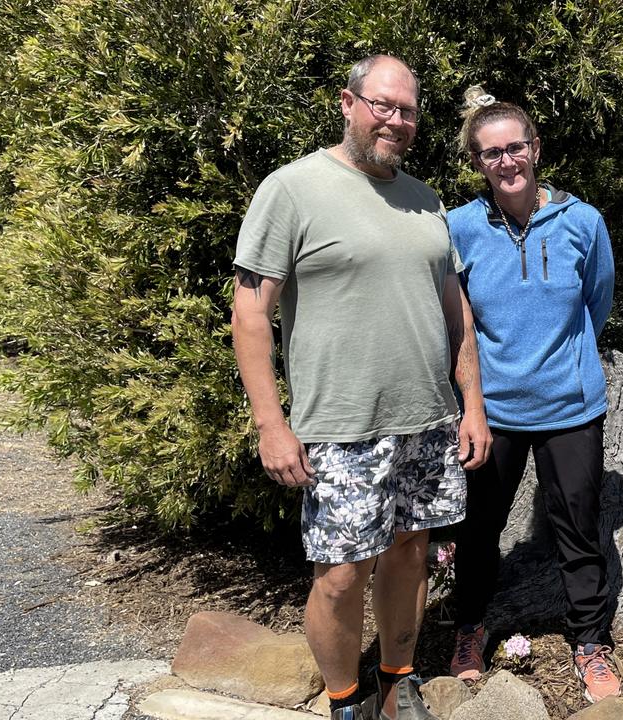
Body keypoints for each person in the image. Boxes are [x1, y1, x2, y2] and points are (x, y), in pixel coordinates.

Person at [231, 56, 491, 720]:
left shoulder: (425, 199)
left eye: (407, 110)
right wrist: (271, 423)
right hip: (340, 425)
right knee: (341, 574)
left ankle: (397, 679)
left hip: (428, 420)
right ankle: (345, 700)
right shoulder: (292, 190)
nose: (396, 120)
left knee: (410, 552)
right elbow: (251, 312)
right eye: (383, 105)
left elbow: (455, 312)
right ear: (348, 103)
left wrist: (473, 407)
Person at [445, 87, 618, 703]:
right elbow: (457, 319)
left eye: (515, 147)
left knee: (579, 529)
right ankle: (469, 629)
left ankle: (591, 644)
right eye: (491, 153)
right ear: (479, 162)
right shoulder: (459, 228)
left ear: (535, 149)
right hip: (494, 414)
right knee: (479, 528)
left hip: (571, 409)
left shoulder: (582, 222)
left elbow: (596, 301)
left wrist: (563, 361)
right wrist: (474, 403)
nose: (506, 161)